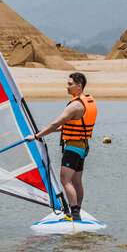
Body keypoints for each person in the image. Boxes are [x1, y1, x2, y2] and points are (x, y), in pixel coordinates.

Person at [25, 72, 97, 221]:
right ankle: (77, 209)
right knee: (77, 181)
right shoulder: (88, 102)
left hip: (72, 148)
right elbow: (68, 126)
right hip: (83, 147)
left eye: (70, 84)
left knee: (65, 180)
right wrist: (45, 133)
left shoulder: (75, 106)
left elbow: (56, 123)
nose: (67, 87)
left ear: (79, 86)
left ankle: (74, 214)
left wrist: (36, 136)